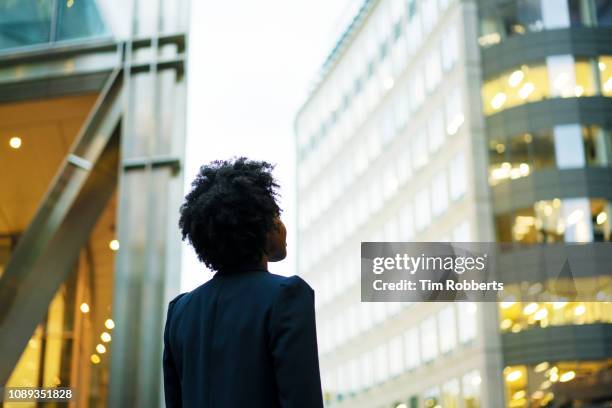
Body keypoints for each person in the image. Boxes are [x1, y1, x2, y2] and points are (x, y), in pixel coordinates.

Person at [163, 158, 324, 408]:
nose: (282, 225)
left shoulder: (180, 312)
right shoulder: (287, 296)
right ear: (261, 225)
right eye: (276, 215)